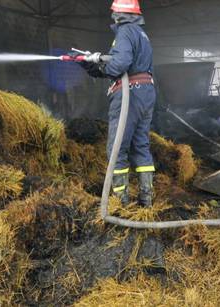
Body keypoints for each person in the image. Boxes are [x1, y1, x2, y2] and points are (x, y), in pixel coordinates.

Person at [70, 0, 156, 207]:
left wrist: (98, 64)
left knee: (117, 148)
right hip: (146, 91)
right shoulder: (141, 34)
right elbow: (124, 63)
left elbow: (119, 64)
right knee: (141, 146)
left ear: (118, 13)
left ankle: (121, 202)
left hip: (130, 94)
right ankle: (147, 199)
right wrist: (89, 63)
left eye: (113, 13)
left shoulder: (125, 31)